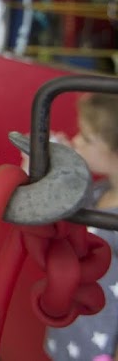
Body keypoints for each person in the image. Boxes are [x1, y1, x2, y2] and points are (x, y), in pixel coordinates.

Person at [45, 92, 118, 361]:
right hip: (75, 332)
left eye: (86, 138)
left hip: (101, 349)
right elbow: (56, 217)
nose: (76, 140)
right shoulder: (98, 192)